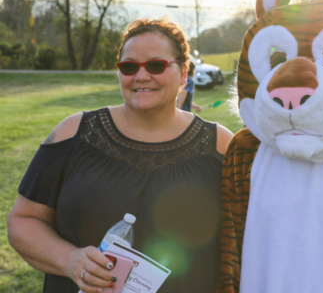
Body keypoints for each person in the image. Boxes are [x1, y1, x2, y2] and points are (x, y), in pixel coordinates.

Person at [7, 17, 233, 293]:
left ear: (184, 73)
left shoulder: (220, 145)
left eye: (155, 65)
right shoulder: (73, 134)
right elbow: (23, 221)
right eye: (128, 67)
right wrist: (69, 260)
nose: (140, 76)